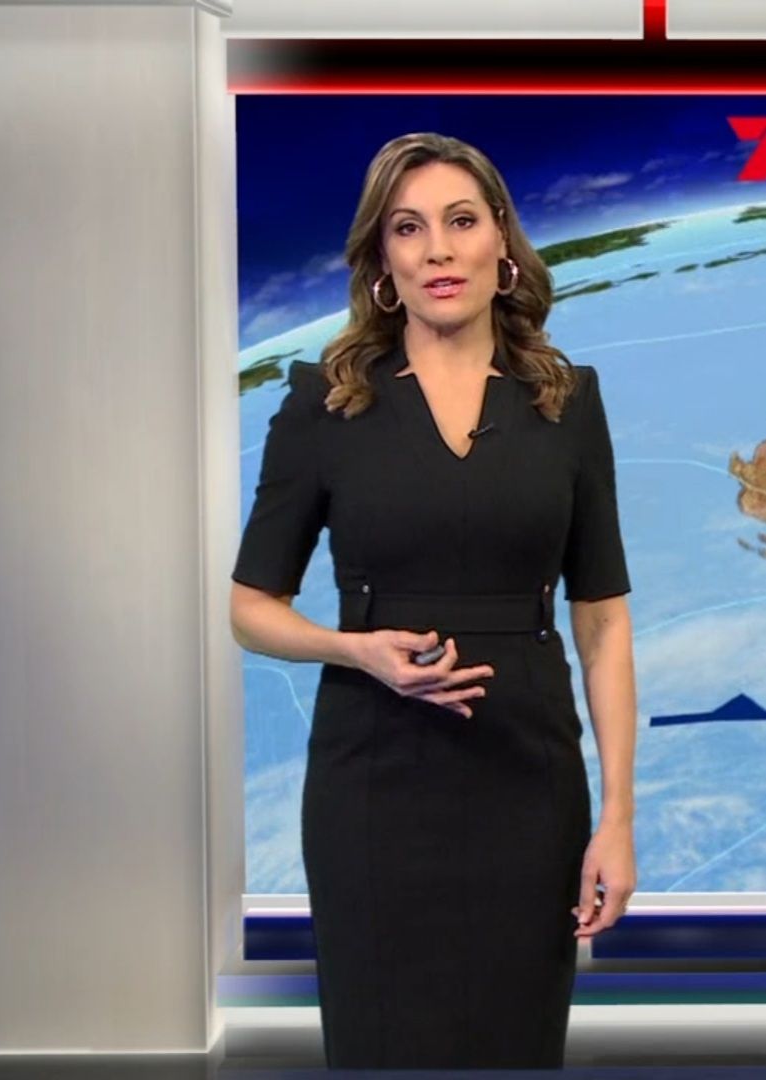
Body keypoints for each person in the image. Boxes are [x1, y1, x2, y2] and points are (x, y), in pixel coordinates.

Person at [229, 132, 637, 1069]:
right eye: (408, 229)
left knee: (514, 1047)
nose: (438, 250)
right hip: (374, 782)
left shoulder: (566, 403)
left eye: (460, 221)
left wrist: (616, 818)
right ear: (382, 260)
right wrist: (356, 649)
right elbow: (250, 607)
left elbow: (603, 621)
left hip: (528, 781)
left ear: (502, 242)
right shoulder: (324, 405)